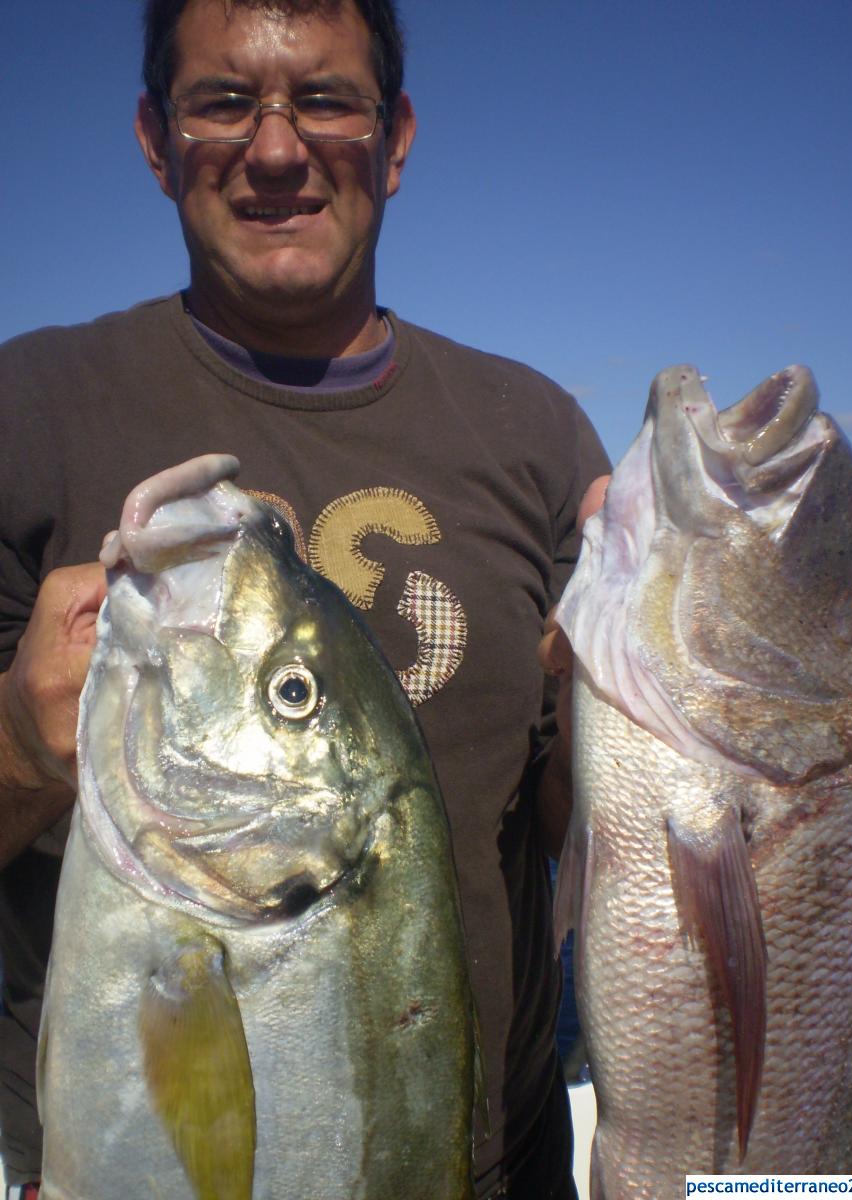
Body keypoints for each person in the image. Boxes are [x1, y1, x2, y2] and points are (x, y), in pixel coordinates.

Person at [0, 0, 610, 1195]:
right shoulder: (26, 413)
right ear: (151, 135)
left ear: (394, 137)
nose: (276, 150)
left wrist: (636, 717)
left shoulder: (533, 431)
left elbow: (564, 833)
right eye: (224, 101)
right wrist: (21, 748)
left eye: (326, 99)